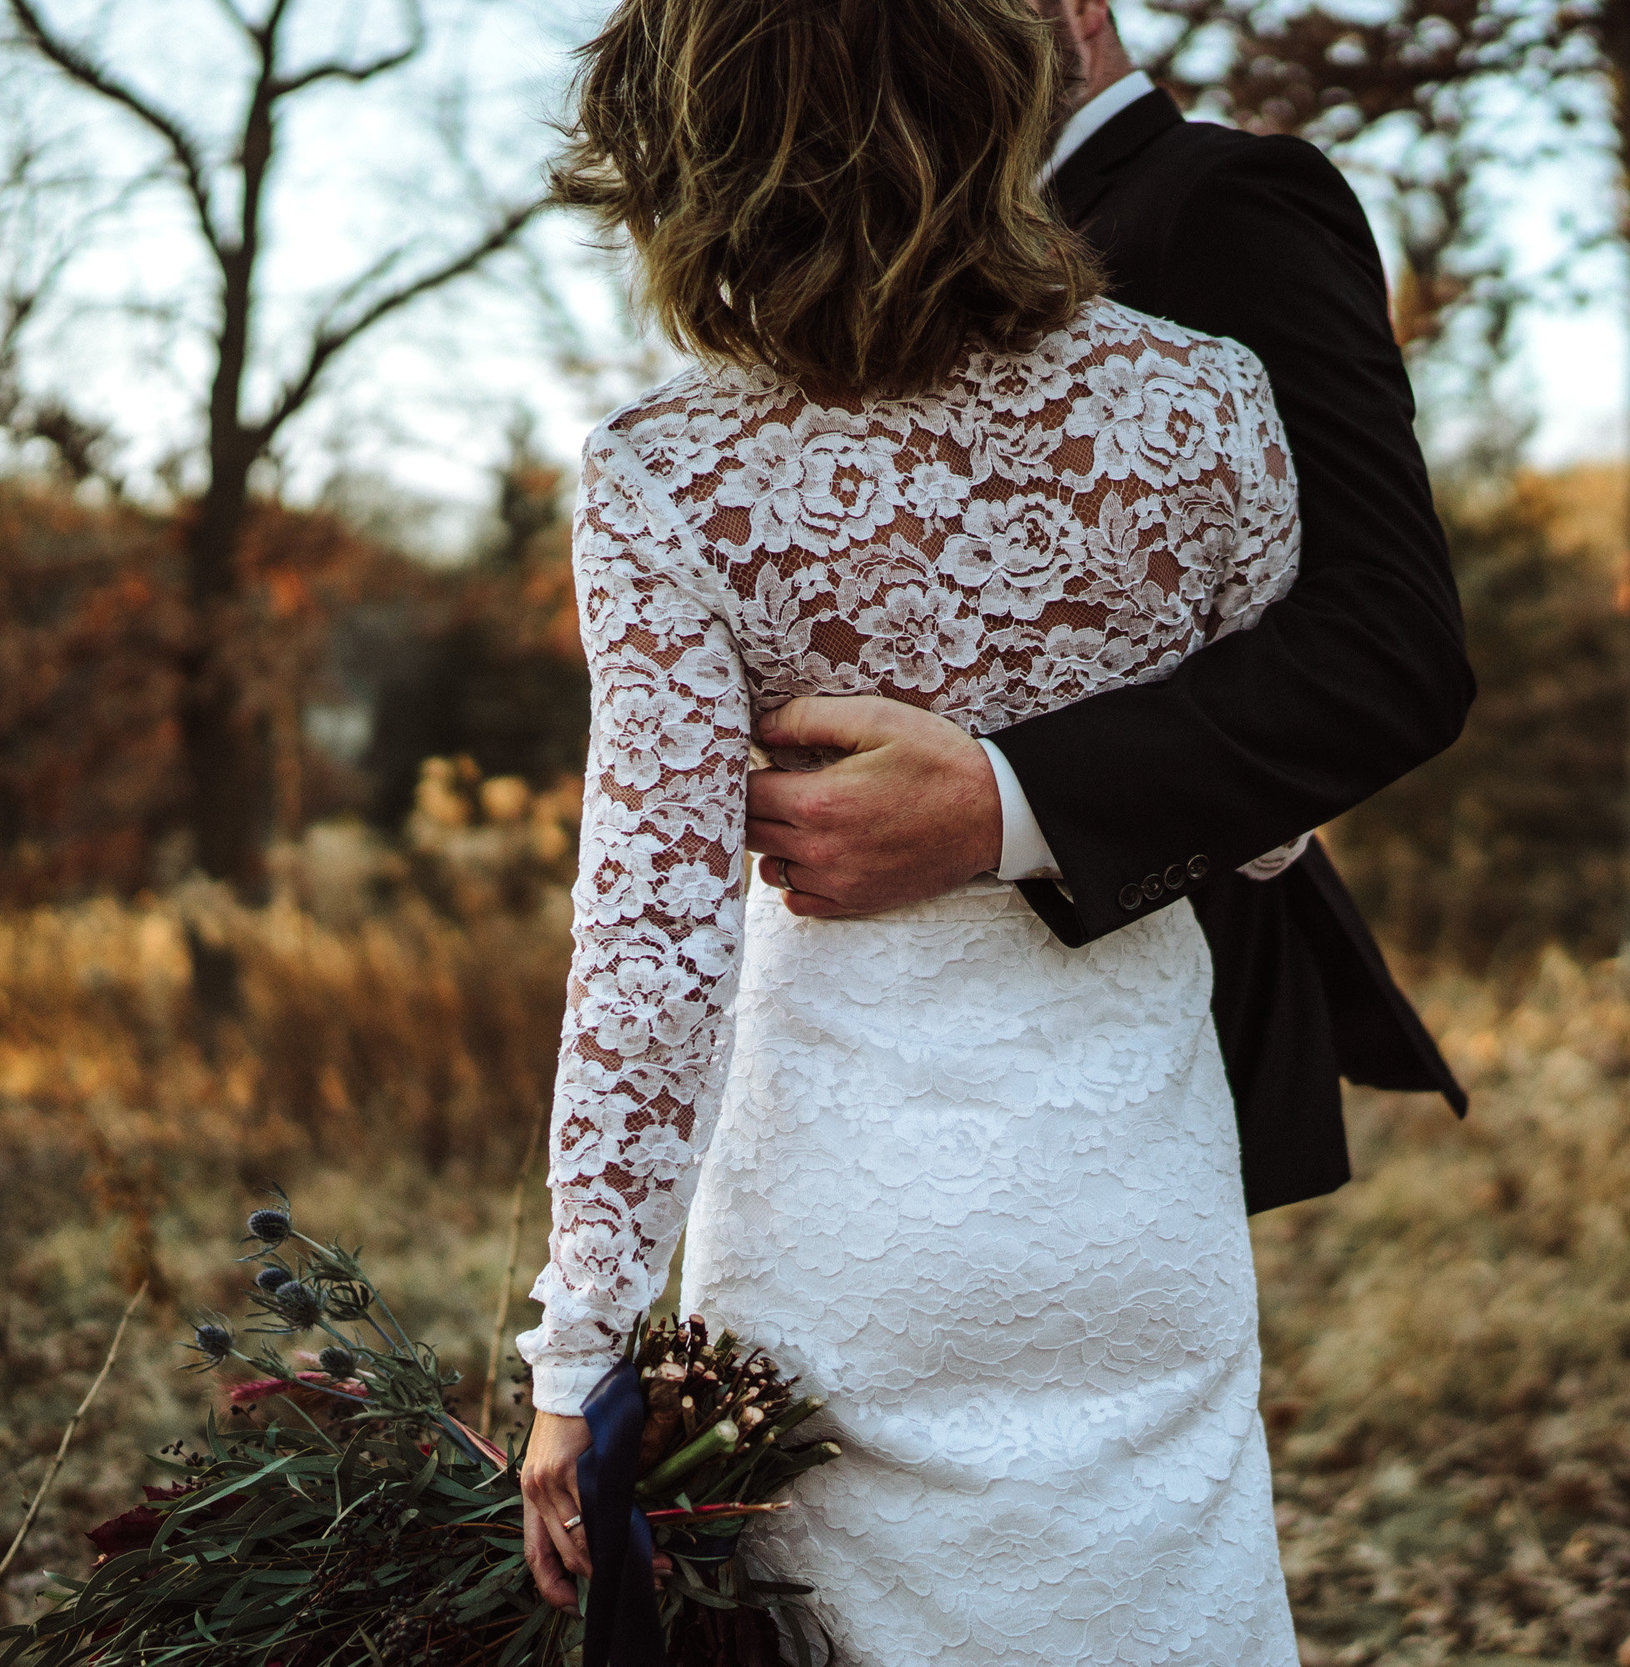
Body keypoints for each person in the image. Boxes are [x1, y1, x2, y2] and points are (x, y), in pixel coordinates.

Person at [511, 0, 1337, 1657]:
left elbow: (650, 941)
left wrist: (575, 1350)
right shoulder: (1208, 406)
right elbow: (1268, 820)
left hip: (841, 1214)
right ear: (993, 96)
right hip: (1132, 1194)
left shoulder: (668, 475)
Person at [742, 0, 1475, 1217]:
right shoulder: (899, 265)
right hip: (876, 1056)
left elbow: (1388, 641)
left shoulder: (1222, 202)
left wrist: (999, 804)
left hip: (1158, 994)